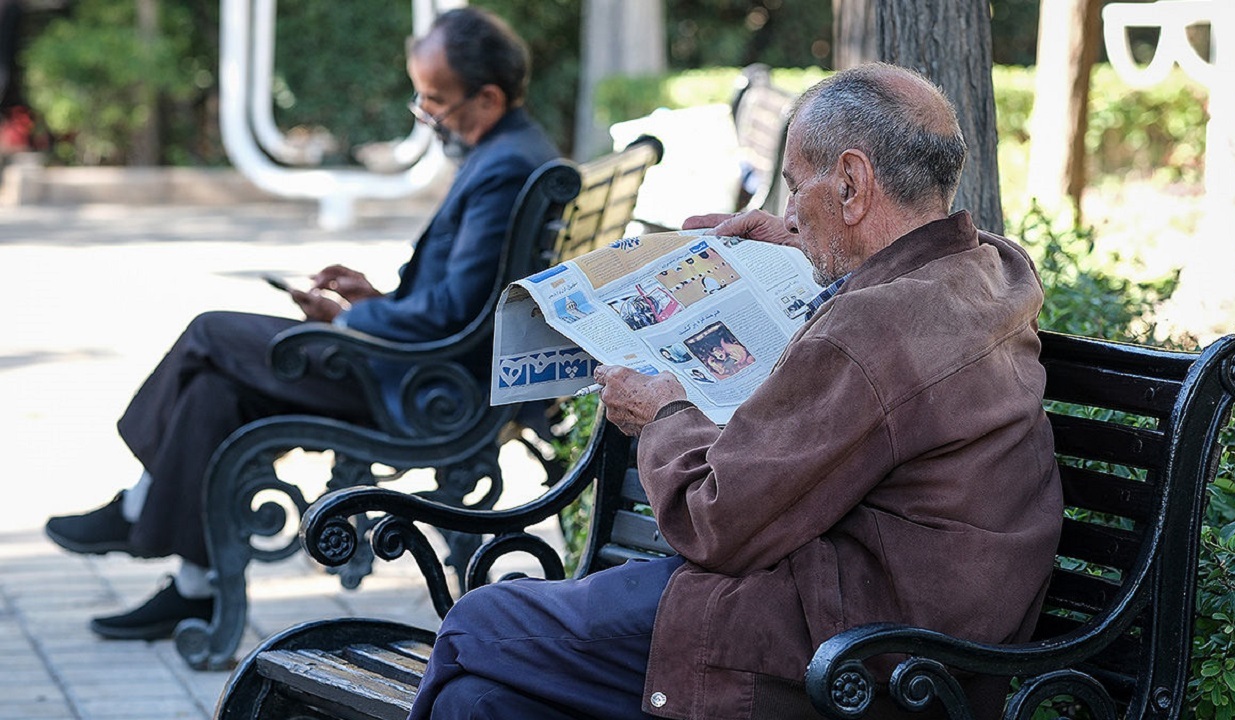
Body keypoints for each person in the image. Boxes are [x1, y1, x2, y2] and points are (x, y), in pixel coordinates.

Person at [404, 62, 1064, 720]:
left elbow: (712, 518)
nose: (785, 213)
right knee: (478, 703)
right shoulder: (990, 269)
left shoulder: (875, 332)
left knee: (477, 626)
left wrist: (660, 415)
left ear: (852, 183)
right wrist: (801, 241)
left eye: (795, 188)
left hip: (846, 654)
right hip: (908, 630)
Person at [43, 6, 558, 642]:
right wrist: (375, 294)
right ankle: (194, 590)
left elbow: (451, 316)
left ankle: (136, 508)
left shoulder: (504, 166)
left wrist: (354, 318)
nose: (427, 117)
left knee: (209, 332)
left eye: (437, 102)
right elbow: (459, 297)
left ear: (489, 95)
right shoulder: (511, 151)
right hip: (429, 372)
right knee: (212, 391)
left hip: (421, 389)